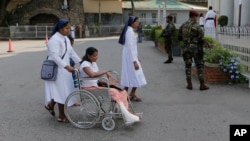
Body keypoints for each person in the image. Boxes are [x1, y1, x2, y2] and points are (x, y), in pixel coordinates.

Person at [79, 47, 141, 124]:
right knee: (114, 92)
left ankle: (128, 113)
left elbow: (97, 78)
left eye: (97, 55)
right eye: (94, 56)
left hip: (95, 86)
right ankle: (127, 115)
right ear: (88, 56)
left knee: (123, 92)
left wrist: (108, 83)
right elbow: (92, 75)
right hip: (89, 88)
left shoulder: (93, 63)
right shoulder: (85, 64)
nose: (96, 57)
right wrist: (104, 72)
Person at [44, 18, 81, 122]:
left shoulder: (65, 39)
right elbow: (55, 56)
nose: (68, 29)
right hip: (57, 69)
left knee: (64, 90)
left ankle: (50, 105)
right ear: (60, 28)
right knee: (61, 91)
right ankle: (61, 116)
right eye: (66, 28)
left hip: (65, 69)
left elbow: (71, 52)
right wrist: (66, 66)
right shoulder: (54, 40)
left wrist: (81, 62)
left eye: (69, 27)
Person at [178, 10, 209, 91]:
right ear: (194, 16)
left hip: (185, 48)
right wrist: (207, 44)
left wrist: (186, 41)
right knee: (199, 66)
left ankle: (189, 84)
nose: (197, 18)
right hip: (195, 49)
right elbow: (201, 39)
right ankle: (202, 85)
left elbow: (179, 36)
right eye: (197, 17)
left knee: (187, 66)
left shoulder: (183, 25)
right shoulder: (197, 26)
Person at [118, 16, 147, 102]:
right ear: (132, 23)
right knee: (137, 74)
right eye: (137, 22)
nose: (138, 23)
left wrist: (136, 57)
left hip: (130, 56)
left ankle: (126, 94)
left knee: (131, 75)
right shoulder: (130, 32)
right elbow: (130, 47)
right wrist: (134, 61)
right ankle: (129, 94)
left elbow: (133, 47)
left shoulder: (131, 31)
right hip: (130, 58)